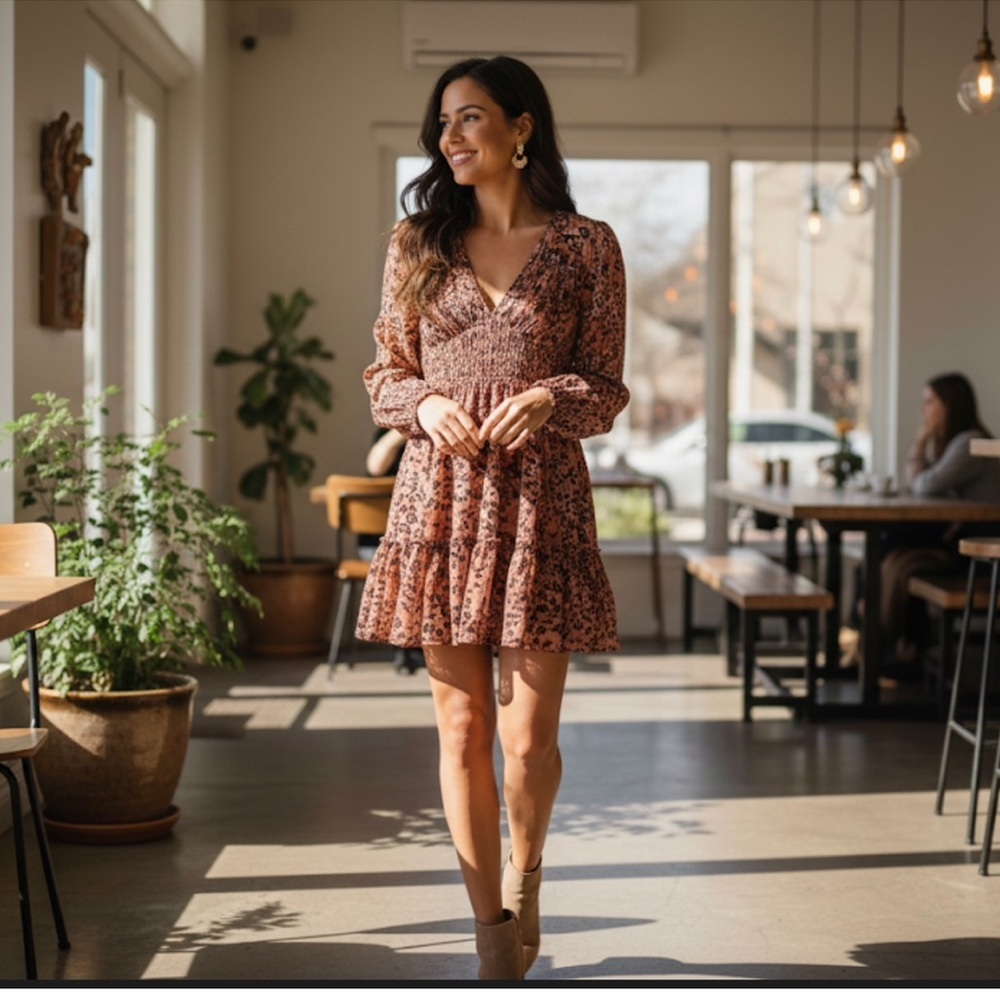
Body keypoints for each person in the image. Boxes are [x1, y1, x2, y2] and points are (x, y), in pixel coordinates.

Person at [355, 56, 628, 979]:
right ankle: (491, 937)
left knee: (526, 742)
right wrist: (424, 404)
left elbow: (607, 386)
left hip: (542, 506)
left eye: (470, 118)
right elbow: (385, 372)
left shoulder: (588, 247)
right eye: (443, 123)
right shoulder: (417, 243)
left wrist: (552, 397)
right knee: (463, 732)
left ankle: (528, 872)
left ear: (522, 128)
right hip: (439, 503)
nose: (450, 137)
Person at [880, 372, 1000, 666]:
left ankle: (884, 646)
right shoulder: (956, 442)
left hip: (979, 548)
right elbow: (921, 484)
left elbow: (923, 485)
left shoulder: (970, 442)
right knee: (895, 555)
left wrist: (920, 440)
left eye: (930, 402)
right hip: (964, 538)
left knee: (893, 549)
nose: (924, 410)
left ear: (950, 405)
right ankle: (897, 647)